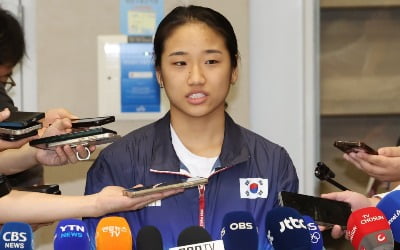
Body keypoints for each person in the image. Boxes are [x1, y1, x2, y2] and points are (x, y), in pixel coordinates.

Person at [84, 5, 299, 249]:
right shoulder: (118, 162)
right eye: (179, 63)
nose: (196, 78)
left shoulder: (273, 163)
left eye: (211, 61)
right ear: (159, 74)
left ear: (234, 69)